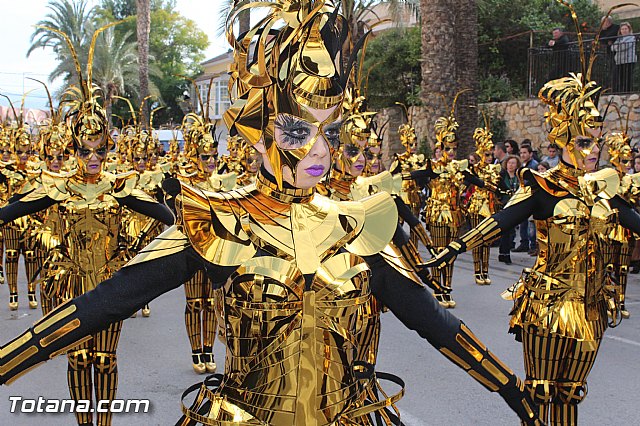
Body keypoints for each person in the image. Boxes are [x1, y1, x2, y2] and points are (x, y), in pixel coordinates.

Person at [0, 2, 543, 425]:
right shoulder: (217, 219)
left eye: (328, 132)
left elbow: (434, 321)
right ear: (259, 136)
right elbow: (103, 304)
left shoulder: (357, 222)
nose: (321, 152)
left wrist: (508, 387)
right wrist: (9, 361)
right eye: (297, 131)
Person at [425, 45, 640, 423]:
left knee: (571, 393)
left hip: (590, 306)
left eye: (597, 142)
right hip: (548, 304)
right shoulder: (542, 186)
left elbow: (635, 221)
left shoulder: (604, 189)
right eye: (586, 142)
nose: (594, 150)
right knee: (540, 390)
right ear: (565, 138)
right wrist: (456, 246)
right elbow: (503, 220)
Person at [0, 24, 174, 426]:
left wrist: (138, 250)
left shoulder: (121, 188)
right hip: (70, 284)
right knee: (79, 359)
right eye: (84, 148)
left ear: (108, 146)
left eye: (100, 147)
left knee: (106, 360)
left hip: (110, 282)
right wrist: (49, 243)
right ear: (73, 146)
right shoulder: (54, 189)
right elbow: (9, 213)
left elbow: (168, 219)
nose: (93, 156)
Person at [466, 119, 502, 284]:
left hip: (490, 205)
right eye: (486, 154)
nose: (489, 157)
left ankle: (486, 271)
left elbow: (496, 186)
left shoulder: (494, 169)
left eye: (491, 154)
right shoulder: (473, 169)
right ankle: (476, 271)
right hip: (476, 205)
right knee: (476, 239)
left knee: (486, 240)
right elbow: (467, 181)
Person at [514, 144, 538, 254]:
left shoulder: (533, 165)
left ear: (530, 153)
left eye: (525, 153)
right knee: (522, 220)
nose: (522, 155)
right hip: (522, 195)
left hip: (530, 195)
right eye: (521, 153)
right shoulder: (522, 164)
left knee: (531, 224)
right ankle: (524, 243)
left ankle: (533, 245)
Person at [497, 155, 521, 264]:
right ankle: (504, 253)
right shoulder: (501, 176)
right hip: (504, 204)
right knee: (505, 230)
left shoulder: (519, 177)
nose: (511, 165)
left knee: (510, 231)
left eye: (513, 163)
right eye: (509, 163)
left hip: (515, 205)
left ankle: (505, 252)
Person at [611, 22, 637, 93]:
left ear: (629, 29)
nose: (624, 30)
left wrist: (618, 46)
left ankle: (628, 92)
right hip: (619, 61)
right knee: (620, 78)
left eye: (625, 29)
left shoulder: (632, 37)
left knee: (628, 78)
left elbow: (624, 47)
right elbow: (612, 48)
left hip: (629, 60)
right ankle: (621, 92)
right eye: (622, 29)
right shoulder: (619, 39)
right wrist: (619, 46)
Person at [601, 15, 621, 90]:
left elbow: (612, 35)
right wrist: (607, 41)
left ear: (609, 21)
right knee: (612, 71)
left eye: (605, 22)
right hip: (609, 52)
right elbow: (599, 38)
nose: (604, 24)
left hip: (618, 52)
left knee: (617, 71)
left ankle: (618, 88)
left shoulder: (616, 27)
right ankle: (612, 87)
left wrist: (609, 40)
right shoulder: (602, 30)